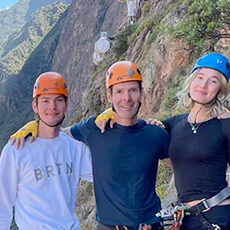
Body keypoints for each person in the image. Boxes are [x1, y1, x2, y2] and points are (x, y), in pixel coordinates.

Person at [10, 61, 171, 230]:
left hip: (150, 225)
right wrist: (36, 125)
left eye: (133, 90)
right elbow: (60, 133)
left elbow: (181, 167)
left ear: (141, 93)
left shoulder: (155, 134)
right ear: (109, 96)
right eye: (119, 91)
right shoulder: (94, 128)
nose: (126, 98)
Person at [95, 53, 230, 230]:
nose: (203, 85)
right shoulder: (174, 124)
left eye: (213, 81)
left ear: (220, 89)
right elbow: (136, 128)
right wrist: (112, 112)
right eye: (200, 77)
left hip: (217, 217)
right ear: (191, 80)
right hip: (185, 220)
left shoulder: (225, 124)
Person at [0, 72, 92, 230]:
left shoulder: (76, 148)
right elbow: (3, 205)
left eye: (58, 100)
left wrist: (128, 125)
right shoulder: (15, 150)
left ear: (66, 104)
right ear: (35, 106)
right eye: (45, 101)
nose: (52, 107)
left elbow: (109, 176)